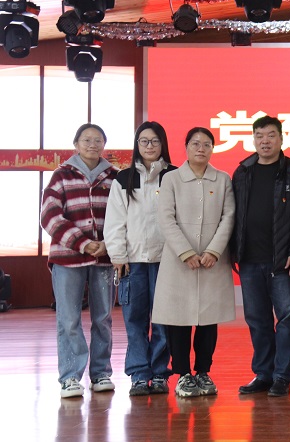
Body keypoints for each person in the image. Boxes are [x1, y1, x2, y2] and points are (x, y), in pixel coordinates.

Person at [153, 127, 236, 398]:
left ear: (213, 148)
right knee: (178, 319)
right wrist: (186, 252)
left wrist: (214, 250)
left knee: (208, 319)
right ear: (186, 147)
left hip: (212, 261)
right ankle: (183, 374)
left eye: (207, 144)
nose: (201, 148)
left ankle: (203, 371)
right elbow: (166, 218)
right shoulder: (171, 179)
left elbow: (228, 217)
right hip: (179, 261)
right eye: (195, 143)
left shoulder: (222, 179)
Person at [232, 116, 290, 397]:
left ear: (281, 138)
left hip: (282, 260)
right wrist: (233, 251)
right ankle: (263, 374)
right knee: (257, 319)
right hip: (249, 258)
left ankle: (282, 377)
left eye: (270, 135)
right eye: (259, 136)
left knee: (287, 318)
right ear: (253, 139)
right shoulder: (242, 171)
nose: (265, 141)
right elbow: (233, 214)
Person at [41, 123, 118, 398]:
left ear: (104, 145)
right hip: (67, 259)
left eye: (98, 140)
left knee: (103, 318)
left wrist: (109, 244)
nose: (92, 145)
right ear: (76, 144)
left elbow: (123, 215)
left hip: (104, 258)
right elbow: (50, 216)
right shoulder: (61, 175)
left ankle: (101, 373)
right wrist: (83, 243)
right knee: (69, 319)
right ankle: (70, 377)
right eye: (86, 140)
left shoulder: (115, 177)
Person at [104, 121, 177, 396]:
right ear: (137, 145)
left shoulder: (174, 176)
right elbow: (115, 221)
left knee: (163, 320)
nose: (149, 146)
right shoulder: (123, 179)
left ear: (163, 144)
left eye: (155, 141)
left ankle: (159, 373)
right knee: (134, 320)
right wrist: (118, 255)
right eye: (144, 141)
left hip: (166, 261)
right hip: (132, 262)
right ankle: (138, 374)